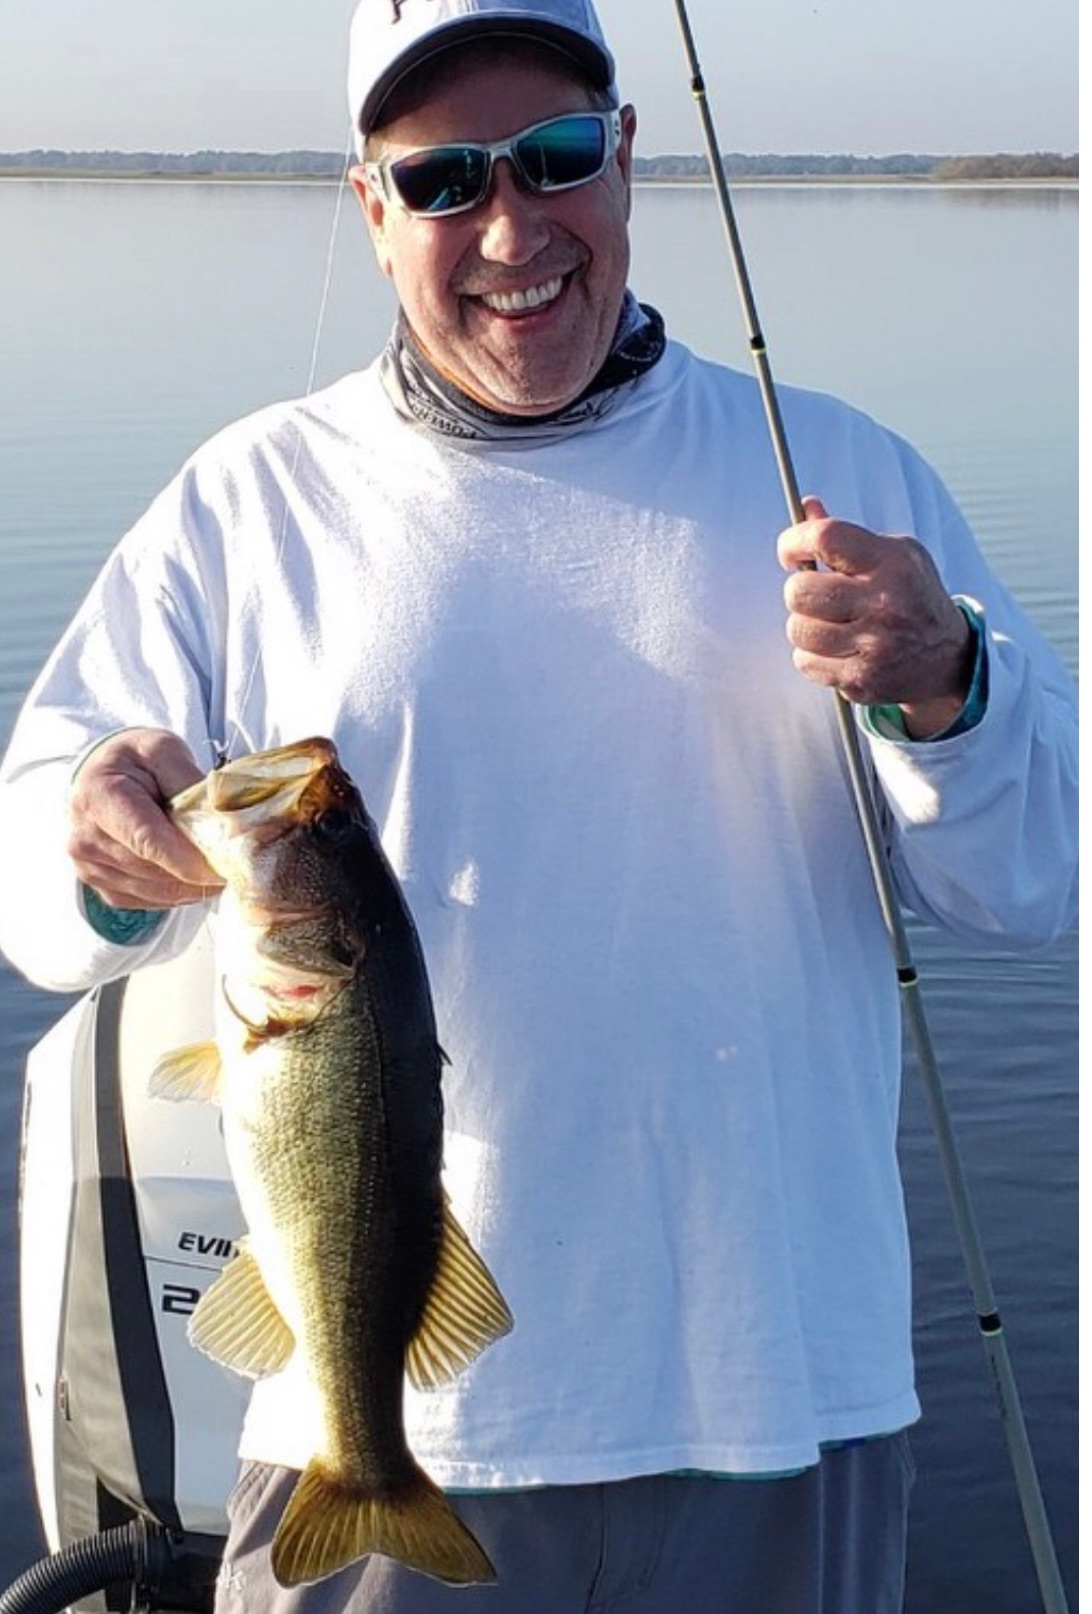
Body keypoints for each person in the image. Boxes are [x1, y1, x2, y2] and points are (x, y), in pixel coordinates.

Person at [0, 0, 1077, 1608]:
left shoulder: (834, 474)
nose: (512, 227)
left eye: (557, 157)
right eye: (441, 183)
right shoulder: (246, 504)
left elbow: (1038, 874)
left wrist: (951, 681)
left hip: (784, 1396)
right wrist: (90, 838)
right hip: (385, 1419)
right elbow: (36, 891)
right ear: (370, 212)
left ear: (629, 158)